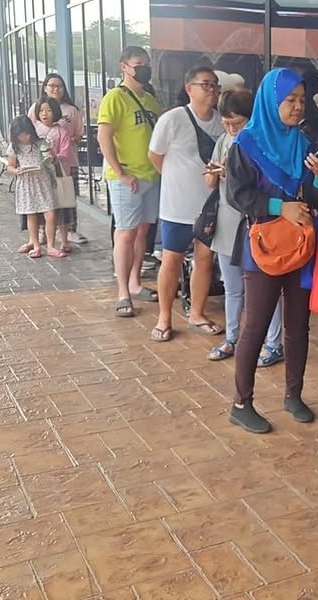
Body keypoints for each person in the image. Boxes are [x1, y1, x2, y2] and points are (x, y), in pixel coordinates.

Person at [225, 67, 318, 434]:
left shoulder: (305, 144)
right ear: (271, 102)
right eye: (289, 100)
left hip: (300, 245)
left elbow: (316, 199)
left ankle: (293, 396)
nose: (297, 106)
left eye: (302, 100)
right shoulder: (246, 143)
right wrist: (279, 207)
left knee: (298, 324)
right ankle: (241, 404)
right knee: (255, 325)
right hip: (263, 247)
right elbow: (237, 195)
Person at [204, 87, 285, 366]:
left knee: (264, 290)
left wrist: (234, 175)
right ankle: (232, 337)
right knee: (232, 286)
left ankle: (273, 343)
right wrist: (216, 173)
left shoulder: (262, 142)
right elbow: (210, 182)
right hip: (228, 223)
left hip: (257, 224)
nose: (231, 128)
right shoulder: (224, 140)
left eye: (237, 122)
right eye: (226, 123)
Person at [147, 66, 226, 342]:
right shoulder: (172, 119)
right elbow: (155, 156)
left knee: (204, 260)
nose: (212, 90)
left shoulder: (222, 122)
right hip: (176, 206)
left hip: (209, 206)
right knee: (171, 260)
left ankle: (197, 314)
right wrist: (175, 180)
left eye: (215, 85)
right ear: (189, 87)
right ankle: (164, 318)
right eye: (206, 84)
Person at [98, 46, 162, 318]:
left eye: (146, 63)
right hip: (127, 177)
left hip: (150, 176)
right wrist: (120, 172)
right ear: (124, 66)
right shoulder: (115, 98)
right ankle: (123, 292)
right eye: (138, 63)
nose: (144, 68)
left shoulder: (151, 101)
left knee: (142, 231)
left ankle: (135, 282)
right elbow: (104, 136)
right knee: (125, 232)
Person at [40, 73, 88, 246]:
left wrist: (67, 140)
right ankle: (44, 231)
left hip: (67, 162)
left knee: (67, 197)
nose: (55, 89)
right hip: (42, 165)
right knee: (45, 198)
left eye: (59, 86)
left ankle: (70, 231)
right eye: (51, 85)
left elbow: (79, 134)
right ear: (45, 88)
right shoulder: (36, 108)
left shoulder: (71, 110)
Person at [6, 116, 64, 259]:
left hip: (42, 181)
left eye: (26, 134)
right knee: (31, 214)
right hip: (26, 183)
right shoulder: (14, 147)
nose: (24, 138)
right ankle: (36, 245)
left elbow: (51, 158)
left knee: (50, 213)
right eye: (20, 135)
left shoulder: (41, 143)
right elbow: (10, 166)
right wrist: (17, 171)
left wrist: (50, 158)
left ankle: (51, 246)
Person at [32, 97, 77, 254]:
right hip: (40, 175)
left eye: (49, 110)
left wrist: (55, 157)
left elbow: (66, 151)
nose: (45, 114)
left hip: (58, 173)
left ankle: (64, 240)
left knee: (61, 206)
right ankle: (41, 234)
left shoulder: (61, 131)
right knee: (44, 206)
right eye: (41, 111)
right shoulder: (35, 130)